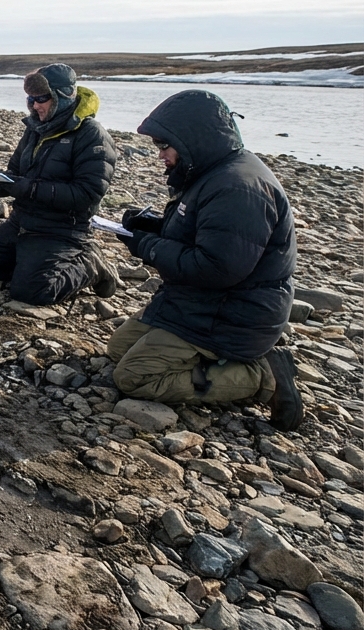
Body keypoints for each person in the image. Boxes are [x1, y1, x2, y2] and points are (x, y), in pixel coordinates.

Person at [107, 90, 302, 430]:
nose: (161, 155)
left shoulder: (237, 188)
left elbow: (216, 268)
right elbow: (202, 234)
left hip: (232, 314)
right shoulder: (212, 171)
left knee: (134, 377)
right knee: (119, 348)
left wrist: (149, 247)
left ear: (192, 139)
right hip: (199, 303)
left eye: (164, 146)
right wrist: (150, 226)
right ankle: (210, 360)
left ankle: (261, 375)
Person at [0, 63, 119, 304]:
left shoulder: (91, 135)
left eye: (42, 98)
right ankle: (30, 263)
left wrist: (28, 187)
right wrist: (1, 183)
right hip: (21, 221)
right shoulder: (36, 128)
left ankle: (91, 263)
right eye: (31, 99)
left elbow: (87, 194)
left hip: (62, 230)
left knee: (32, 292)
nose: (34, 105)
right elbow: (15, 169)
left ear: (63, 96)